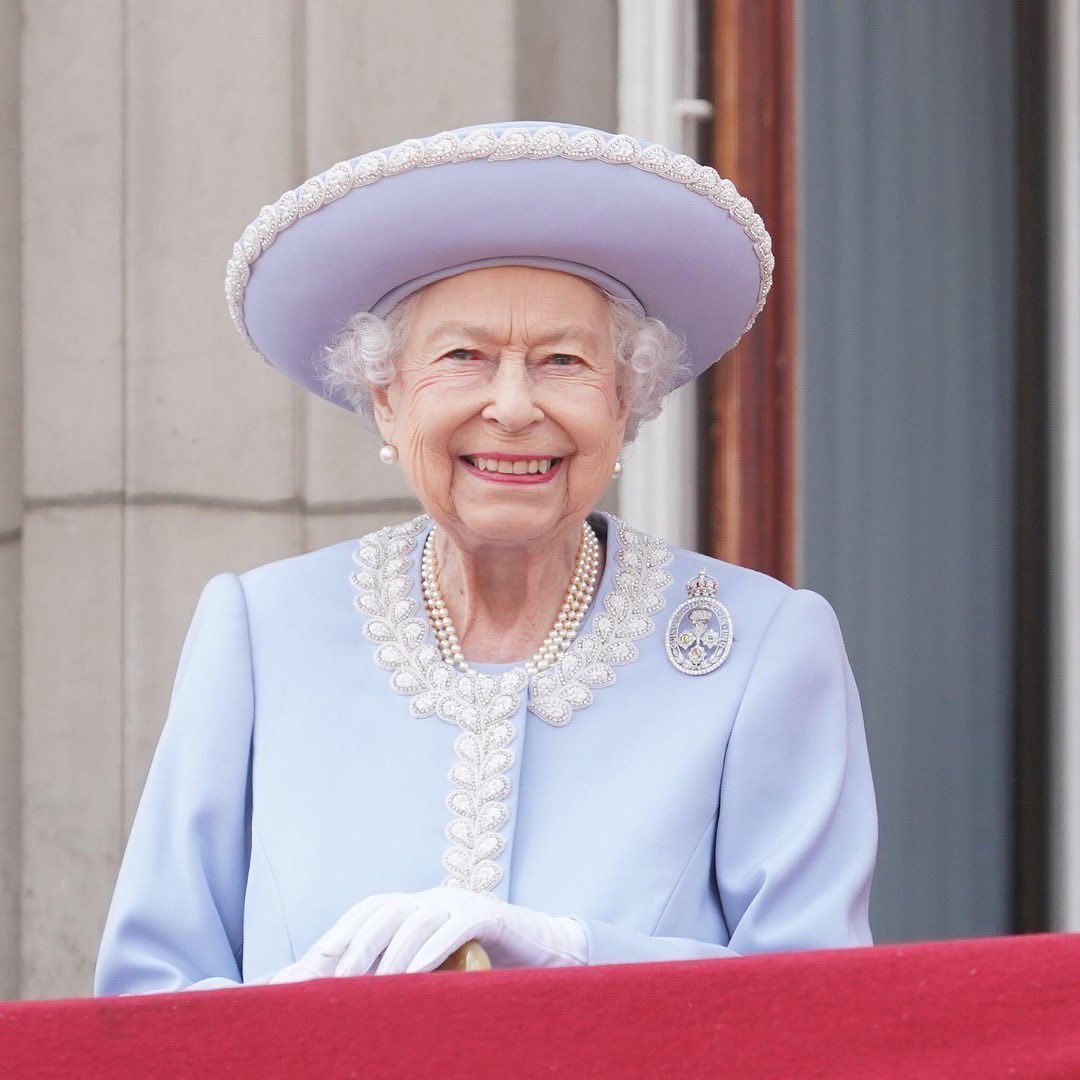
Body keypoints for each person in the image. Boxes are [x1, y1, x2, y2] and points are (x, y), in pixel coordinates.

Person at [94, 120, 877, 995]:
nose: (512, 406)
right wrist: (290, 1014)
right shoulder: (259, 633)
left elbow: (820, 1001)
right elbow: (144, 997)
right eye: (463, 357)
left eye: (563, 361)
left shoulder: (764, 647)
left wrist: (573, 954)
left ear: (626, 403)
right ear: (387, 401)